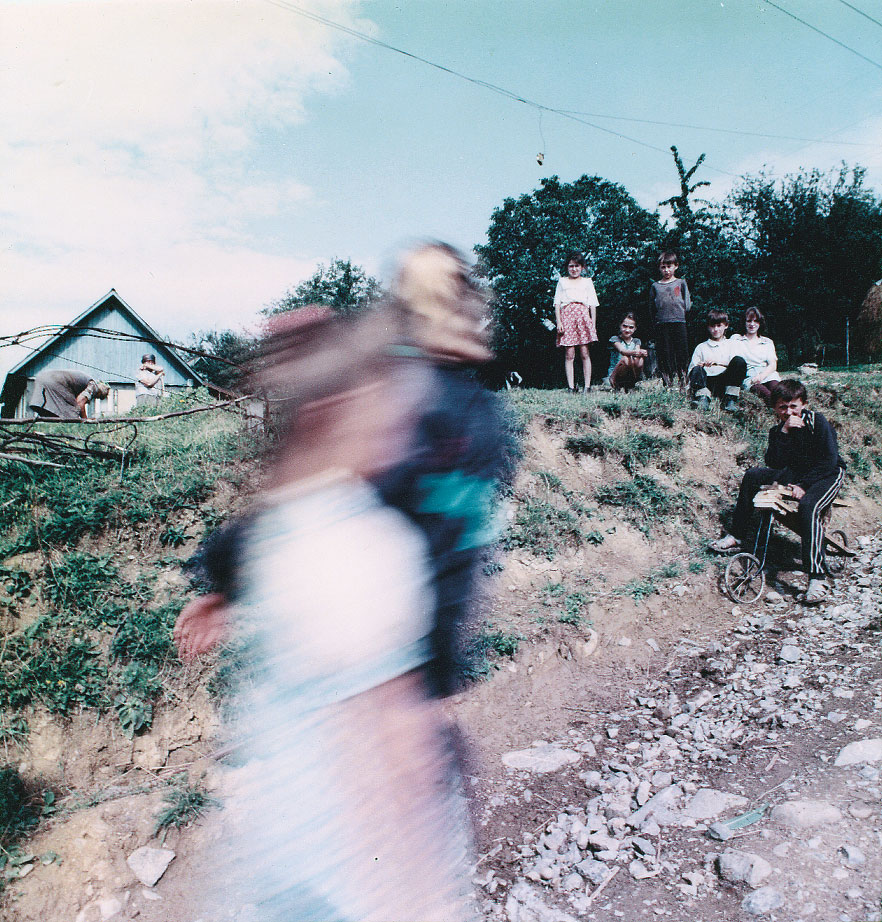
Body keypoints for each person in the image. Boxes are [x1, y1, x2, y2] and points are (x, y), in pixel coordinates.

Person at [174, 308, 479, 921]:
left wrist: (219, 595)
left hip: (290, 835)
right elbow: (394, 742)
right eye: (390, 410)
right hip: (359, 856)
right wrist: (423, 895)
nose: (407, 431)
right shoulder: (370, 548)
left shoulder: (277, 531)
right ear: (334, 413)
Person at [710, 379, 846, 604]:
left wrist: (804, 486)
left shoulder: (817, 422)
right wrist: (783, 432)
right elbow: (774, 462)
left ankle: (817, 577)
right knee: (753, 475)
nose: (788, 412)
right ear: (774, 408)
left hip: (828, 474)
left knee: (809, 507)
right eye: (782, 407)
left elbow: (829, 460)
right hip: (798, 473)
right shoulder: (778, 430)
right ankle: (737, 535)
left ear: (804, 404)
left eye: (793, 406)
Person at [553, 252, 598, 393]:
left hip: (583, 317)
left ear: (582, 267)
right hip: (567, 317)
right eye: (571, 266)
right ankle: (571, 387)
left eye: (577, 266)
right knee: (569, 353)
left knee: (584, 352)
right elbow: (557, 303)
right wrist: (559, 322)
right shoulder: (562, 282)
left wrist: (593, 324)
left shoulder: (587, 282)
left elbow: (593, 304)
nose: (574, 269)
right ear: (567, 267)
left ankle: (587, 386)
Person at [687, 309, 747, 411]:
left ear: (726, 325)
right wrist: (701, 365)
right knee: (696, 369)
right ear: (708, 327)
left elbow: (738, 366)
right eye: (712, 326)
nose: (715, 329)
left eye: (719, 326)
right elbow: (692, 370)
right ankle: (703, 399)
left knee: (739, 361)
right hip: (708, 382)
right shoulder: (701, 347)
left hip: (725, 381)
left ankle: (730, 399)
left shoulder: (732, 344)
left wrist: (717, 363)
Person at [649, 250, 691, 391]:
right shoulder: (655, 286)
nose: (666, 270)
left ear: (676, 266)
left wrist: (682, 313)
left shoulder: (681, 283)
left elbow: (687, 303)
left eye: (669, 266)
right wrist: (655, 322)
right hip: (662, 323)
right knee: (665, 353)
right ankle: (668, 382)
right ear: (659, 268)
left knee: (681, 352)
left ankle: (683, 380)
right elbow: (652, 307)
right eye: (663, 267)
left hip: (679, 321)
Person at [730, 307, 780, 405]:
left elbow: (773, 365)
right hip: (750, 378)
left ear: (760, 323)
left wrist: (761, 376)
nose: (752, 324)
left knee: (779, 393)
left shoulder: (767, 342)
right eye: (749, 321)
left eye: (756, 321)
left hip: (767, 375)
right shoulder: (736, 339)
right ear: (744, 322)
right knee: (767, 395)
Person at [28, 369, 110, 419]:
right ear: (100, 392)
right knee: (71, 414)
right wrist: (85, 420)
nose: (95, 398)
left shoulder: (84, 383)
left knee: (53, 414)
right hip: (54, 382)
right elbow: (80, 403)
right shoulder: (93, 386)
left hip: (42, 378)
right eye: (99, 397)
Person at [606, 312, 648, 392]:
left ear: (635, 328)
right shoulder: (615, 339)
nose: (627, 330)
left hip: (630, 371)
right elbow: (623, 351)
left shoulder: (636, 341)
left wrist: (642, 352)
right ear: (620, 325)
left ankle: (632, 382)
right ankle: (613, 380)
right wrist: (636, 352)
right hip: (617, 372)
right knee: (625, 359)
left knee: (640, 360)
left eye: (631, 327)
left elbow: (637, 352)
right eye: (624, 326)